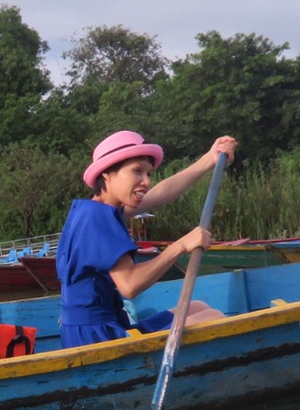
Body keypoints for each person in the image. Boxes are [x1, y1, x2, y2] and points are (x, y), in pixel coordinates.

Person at [56, 130, 239, 350]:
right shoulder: (98, 219)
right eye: (137, 172)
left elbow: (162, 193)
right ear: (107, 174)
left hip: (91, 329)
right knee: (214, 317)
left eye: (148, 173)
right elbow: (129, 286)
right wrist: (180, 246)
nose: (146, 182)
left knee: (198, 307)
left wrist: (209, 159)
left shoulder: (96, 209)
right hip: (96, 339)